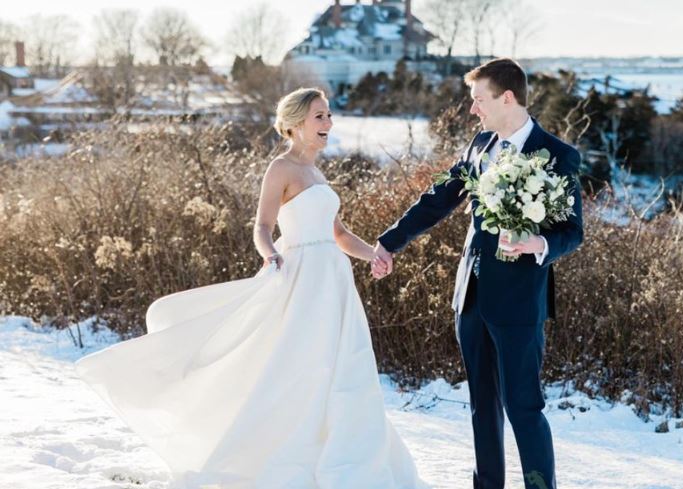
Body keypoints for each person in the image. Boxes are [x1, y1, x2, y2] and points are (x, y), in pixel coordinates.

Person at [75, 87, 429, 489]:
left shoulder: (317, 172)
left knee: (341, 365)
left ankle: (346, 453)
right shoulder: (281, 168)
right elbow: (262, 226)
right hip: (302, 280)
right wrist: (269, 255)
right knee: (301, 366)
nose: (328, 123)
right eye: (319, 117)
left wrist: (375, 255)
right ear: (296, 124)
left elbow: (339, 232)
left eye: (328, 116)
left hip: (335, 283)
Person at [371, 58, 584, 489]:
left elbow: (572, 231)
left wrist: (539, 244)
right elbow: (438, 200)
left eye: (478, 100)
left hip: (520, 300)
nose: (473, 110)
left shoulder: (559, 155)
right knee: (481, 406)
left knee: (524, 406)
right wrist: (389, 242)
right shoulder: (479, 145)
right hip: (470, 296)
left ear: (507, 98)